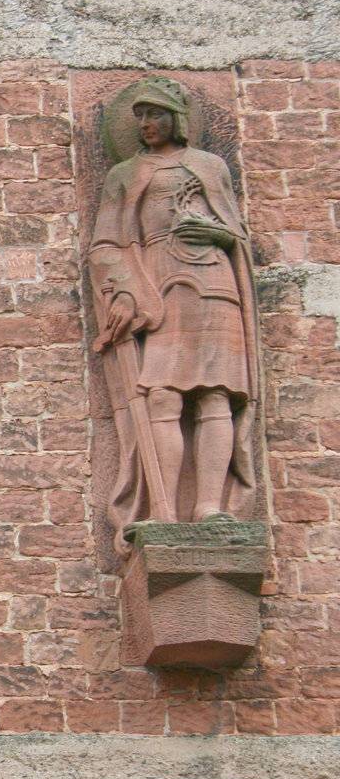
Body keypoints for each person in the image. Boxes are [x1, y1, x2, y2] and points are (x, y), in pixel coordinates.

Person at [88, 77, 259, 537]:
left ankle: (208, 506)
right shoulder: (124, 175)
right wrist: (123, 290)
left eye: (156, 113)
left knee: (215, 393)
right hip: (158, 288)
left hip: (213, 281)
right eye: (140, 116)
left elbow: (236, 235)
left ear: (178, 119)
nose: (147, 123)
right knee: (162, 393)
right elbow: (105, 244)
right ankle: (164, 507)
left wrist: (220, 235)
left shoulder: (209, 167)